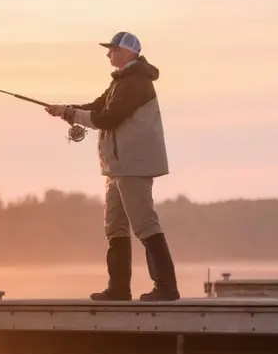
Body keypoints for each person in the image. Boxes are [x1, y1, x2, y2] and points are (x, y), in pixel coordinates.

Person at [45, 31, 180, 301]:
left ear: (128, 53)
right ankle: (118, 289)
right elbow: (98, 106)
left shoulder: (136, 83)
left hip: (133, 165)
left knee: (144, 224)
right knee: (115, 226)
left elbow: (108, 118)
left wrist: (72, 114)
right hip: (116, 166)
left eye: (113, 50)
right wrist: (65, 110)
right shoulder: (122, 81)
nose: (108, 54)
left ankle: (166, 287)